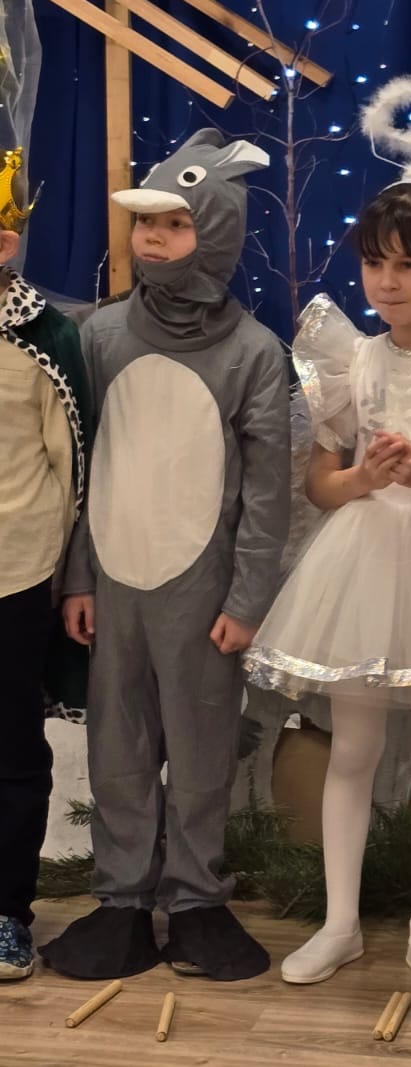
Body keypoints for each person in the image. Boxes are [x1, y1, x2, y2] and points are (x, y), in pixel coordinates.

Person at [243, 180, 411, 993]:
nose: (387, 283)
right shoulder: (352, 360)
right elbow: (321, 484)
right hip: (362, 568)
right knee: (352, 749)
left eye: (408, 264)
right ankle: (341, 924)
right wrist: (364, 477)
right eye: (373, 264)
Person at [40, 131, 291, 983]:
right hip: (115, 581)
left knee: (202, 742)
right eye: (145, 221)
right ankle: (120, 898)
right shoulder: (101, 335)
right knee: (118, 742)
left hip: (204, 590)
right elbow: (83, 469)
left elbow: (267, 492)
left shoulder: (253, 353)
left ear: (214, 232)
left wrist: (248, 598)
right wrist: (79, 577)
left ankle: (194, 900)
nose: (153, 237)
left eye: (176, 223)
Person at [0, 150, 90, 980]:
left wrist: (66, 577)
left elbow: (72, 468)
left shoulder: (43, 338)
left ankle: (7, 910)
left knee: (13, 751)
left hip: (15, 574)